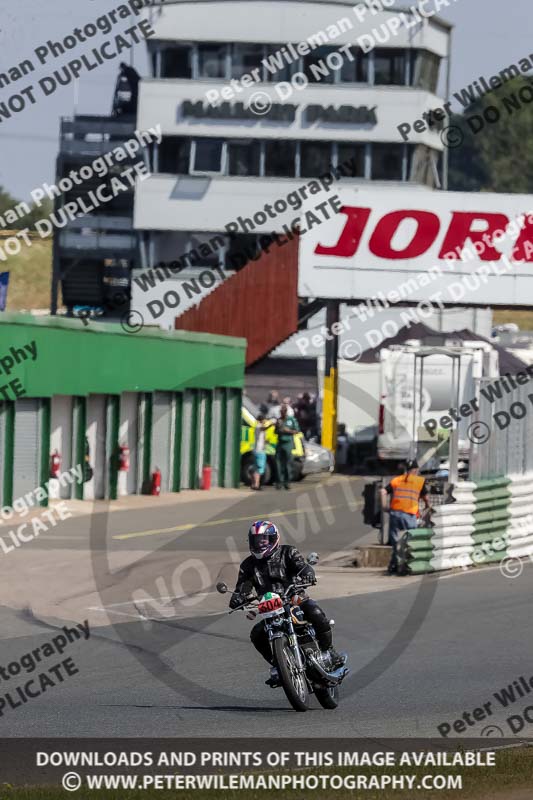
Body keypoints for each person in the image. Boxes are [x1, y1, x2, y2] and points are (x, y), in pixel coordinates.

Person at [229, 520, 345, 685]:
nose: (260, 543)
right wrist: (237, 597)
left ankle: (329, 651)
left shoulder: (288, 552)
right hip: (270, 608)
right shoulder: (248, 565)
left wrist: (307, 573)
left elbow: (302, 566)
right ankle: (280, 665)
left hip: (295, 599)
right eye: (256, 540)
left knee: (315, 612)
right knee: (257, 635)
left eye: (264, 539)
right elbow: (242, 586)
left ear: (273, 538)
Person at [380, 459, 430, 575]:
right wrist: (428, 506)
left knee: (396, 543)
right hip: (409, 515)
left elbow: (383, 491)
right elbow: (426, 498)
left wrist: (384, 507)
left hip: (395, 514)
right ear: (416, 470)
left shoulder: (396, 480)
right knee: (410, 542)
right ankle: (406, 566)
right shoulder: (419, 481)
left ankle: (393, 566)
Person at [275, 404, 300, 489]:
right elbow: (275, 432)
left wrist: (287, 430)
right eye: (281, 411)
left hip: (288, 443)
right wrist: (278, 427)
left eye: (284, 411)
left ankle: (287, 482)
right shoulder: (279, 420)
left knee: (287, 464)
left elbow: (297, 431)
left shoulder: (291, 420)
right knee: (278, 464)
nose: (282, 413)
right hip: (280, 443)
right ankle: (279, 482)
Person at [251, 415, 273, 491]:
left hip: (257, 450)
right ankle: (256, 485)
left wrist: (266, 441)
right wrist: (271, 424)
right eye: (264, 419)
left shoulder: (258, 427)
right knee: (259, 469)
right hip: (259, 450)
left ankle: (254, 484)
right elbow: (264, 428)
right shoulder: (259, 426)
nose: (265, 421)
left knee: (256, 468)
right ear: (262, 420)